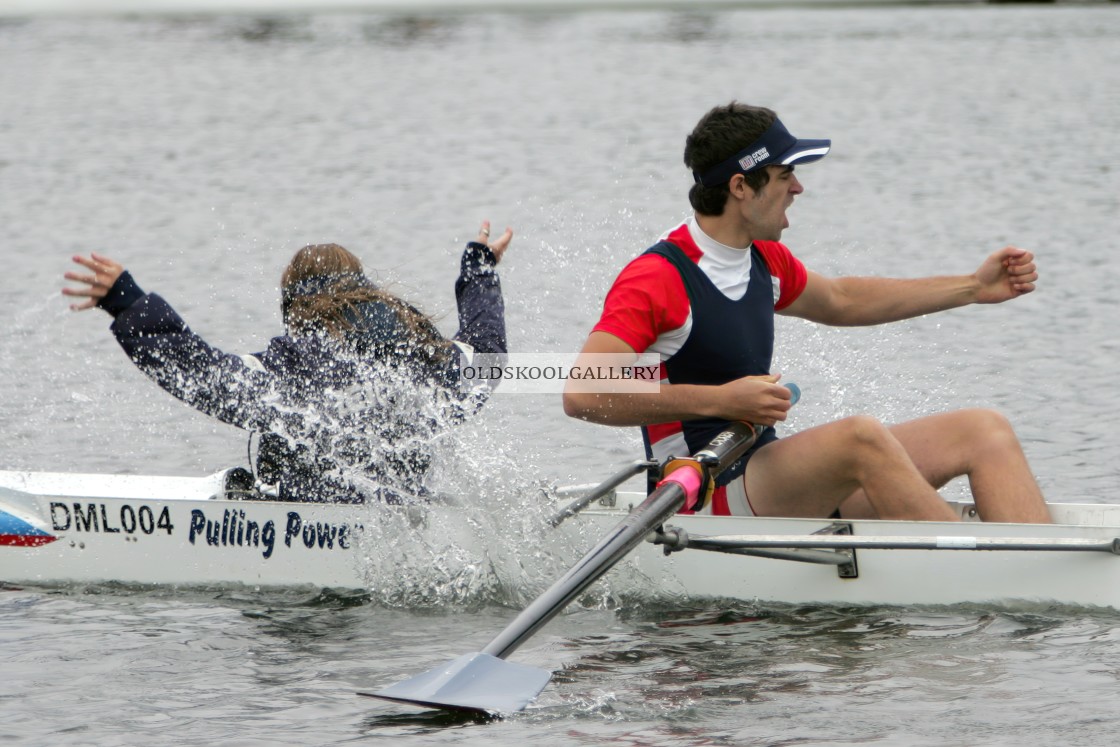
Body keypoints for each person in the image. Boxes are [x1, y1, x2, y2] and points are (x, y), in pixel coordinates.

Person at [563, 102, 1051, 524]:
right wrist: (722, 400)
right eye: (784, 175)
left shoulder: (763, 259)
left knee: (982, 429)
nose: (798, 188)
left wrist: (971, 286)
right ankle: (975, 564)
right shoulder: (658, 279)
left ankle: (1036, 572)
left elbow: (842, 300)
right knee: (858, 437)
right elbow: (583, 393)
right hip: (701, 501)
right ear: (740, 186)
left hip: (768, 479)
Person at [64, 221, 512, 503]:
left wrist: (128, 303)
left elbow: (200, 371)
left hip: (307, 531)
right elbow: (488, 353)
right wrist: (479, 269)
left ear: (296, 306)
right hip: (398, 528)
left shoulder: (295, 366)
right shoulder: (425, 355)